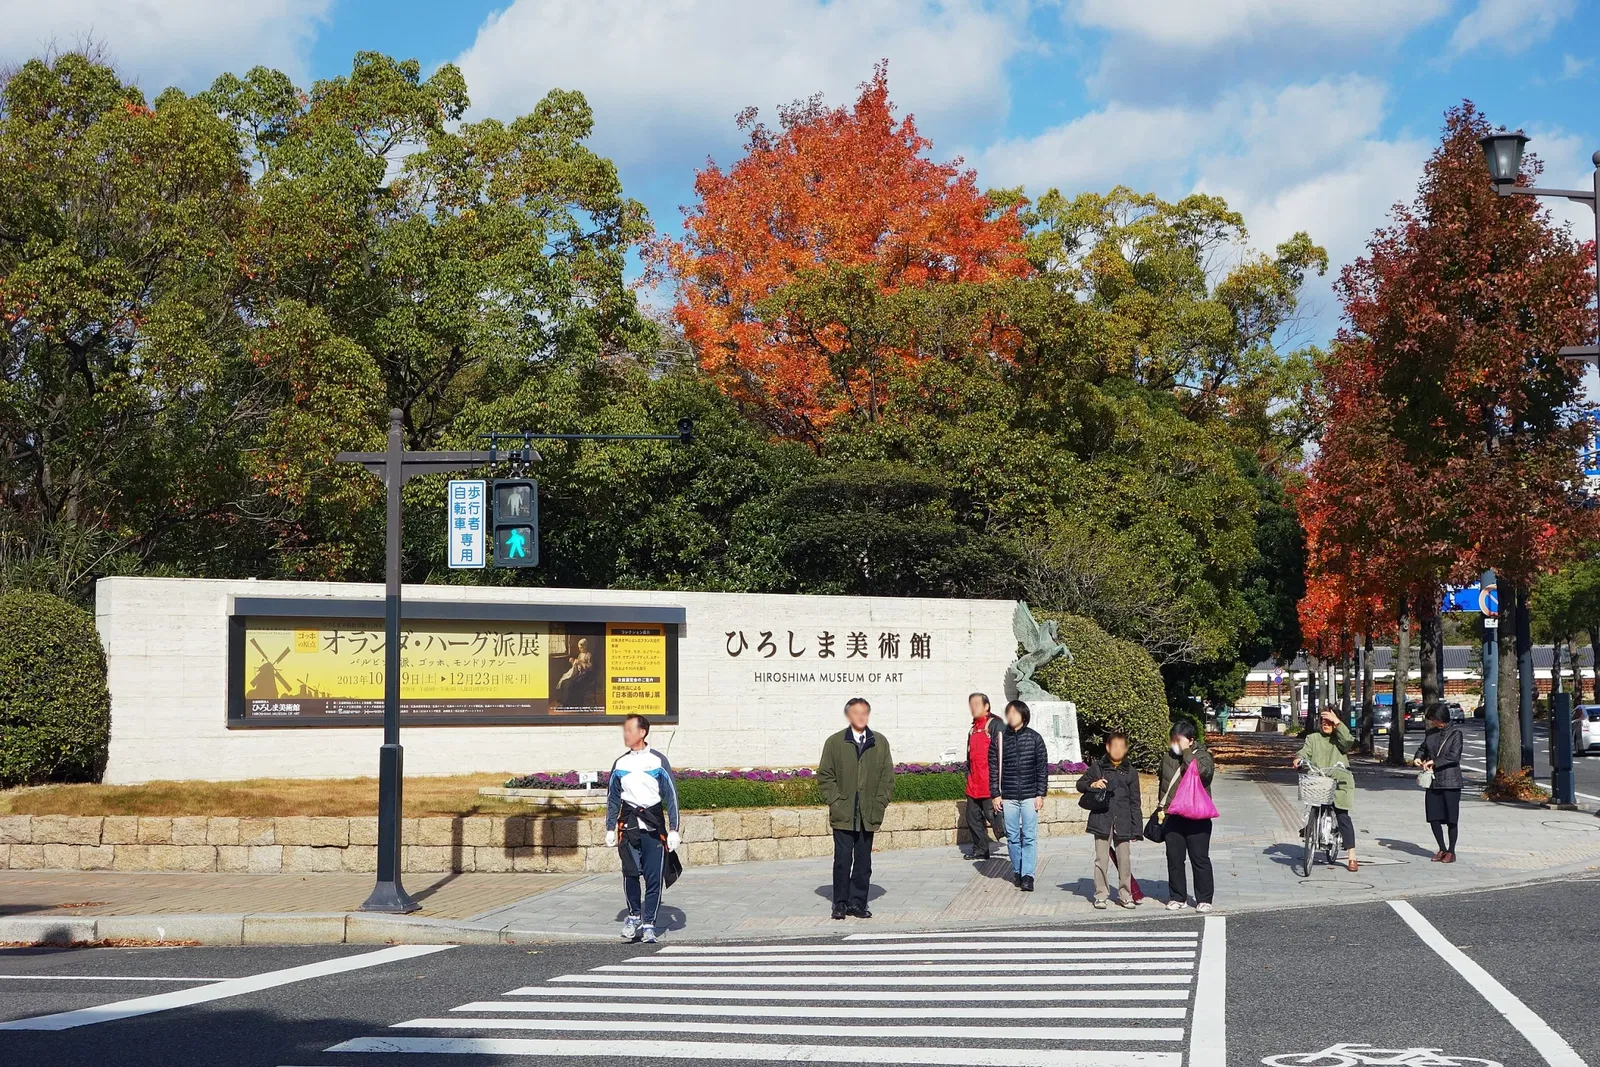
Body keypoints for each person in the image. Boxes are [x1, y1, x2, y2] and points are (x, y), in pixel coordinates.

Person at [603, 714, 680, 944]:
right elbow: (612, 798)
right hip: (628, 826)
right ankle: (634, 916)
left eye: (629, 730)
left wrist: (674, 829)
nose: (625, 734)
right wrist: (610, 827)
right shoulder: (620, 763)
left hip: (653, 826)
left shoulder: (657, 761)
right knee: (630, 873)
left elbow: (671, 796)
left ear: (643, 732)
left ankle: (649, 924)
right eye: (624, 730)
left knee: (653, 877)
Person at [817, 697, 895, 919]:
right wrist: (836, 801)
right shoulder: (835, 742)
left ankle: (858, 903)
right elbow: (825, 776)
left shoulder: (879, 742)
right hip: (843, 813)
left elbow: (887, 778)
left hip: (868, 813)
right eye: (855, 712)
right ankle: (840, 903)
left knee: (863, 862)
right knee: (842, 861)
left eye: (864, 712)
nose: (860, 717)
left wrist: (880, 802)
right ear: (848, 715)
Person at [1077, 729, 1143, 910]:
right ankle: (1101, 895)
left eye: (1122, 747)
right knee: (1101, 860)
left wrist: (1137, 829)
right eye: (1114, 746)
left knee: (1124, 860)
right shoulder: (1098, 767)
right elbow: (1080, 784)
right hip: (1102, 820)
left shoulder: (1130, 772)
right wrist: (1092, 784)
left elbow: (1135, 802)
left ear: (1126, 749)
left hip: (1123, 821)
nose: (1118, 750)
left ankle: (1125, 895)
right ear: (1107, 747)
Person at [989, 699, 1049, 892]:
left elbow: (1042, 768)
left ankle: (1028, 875)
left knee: (1029, 837)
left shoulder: (1035, 738)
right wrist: (995, 794)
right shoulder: (999, 739)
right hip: (1008, 796)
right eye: (1009, 712)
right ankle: (1017, 870)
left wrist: (1040, 794)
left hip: (1030, 795)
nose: (1011, 716)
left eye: (1015, 712)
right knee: (1013, 837)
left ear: (1023, 715)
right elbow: (993, 768)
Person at [1293, 708, 1359, 872]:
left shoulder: (1340, 739)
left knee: (1342, 816)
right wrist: (1299, 758)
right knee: (1315, 804)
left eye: (1330, 722)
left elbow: (1348, 742)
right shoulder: (1313, 738)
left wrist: (1337, 722)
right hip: (1319, 780)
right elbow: (1305, 751)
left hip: (1339, 781)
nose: (1326, 725)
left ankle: (1352, 855)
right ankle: (1311, 829)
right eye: (1324, 721)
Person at [1160, 720, 1216, 912]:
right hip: (1173, 815)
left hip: (1197, 816)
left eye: (1179, 740)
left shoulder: (1203, 756)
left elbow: (1203, 772)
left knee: (1199, 858)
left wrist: (1186, 752)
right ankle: (1177, 897)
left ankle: (1204, 899)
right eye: (1173, 740)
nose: (1175, 744)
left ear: (1191, 740)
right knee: (1174, 858)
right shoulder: (1167, 757)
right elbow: (1164, 784)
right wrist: (1162, 807)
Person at [1414, 704, 1464, 863]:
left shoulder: (1456, 733)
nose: (1434, 723)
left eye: (1435, 720)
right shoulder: (1431, 734)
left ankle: (1451, 851)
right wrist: (1418, 757)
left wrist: (1434, 762)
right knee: (1433, 816)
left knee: (1451, 819)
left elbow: (1454, 756)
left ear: (1442, 718)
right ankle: (1441, 848)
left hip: (1451, 781)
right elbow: (1422, 749)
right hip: (1433, 781)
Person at [963, 692, 1006, 861]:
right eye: (971, 704)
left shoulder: (995, 725)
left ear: (986, 706)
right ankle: (980, 849)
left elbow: (1003, 756)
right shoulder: (973, 729)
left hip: (990, 783)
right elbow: (970, 757)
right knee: (972, 817)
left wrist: (1000, 786)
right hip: (974, 783)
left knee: (996, 819)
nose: (973, 708)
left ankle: (1019, 843)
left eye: (977, 704)